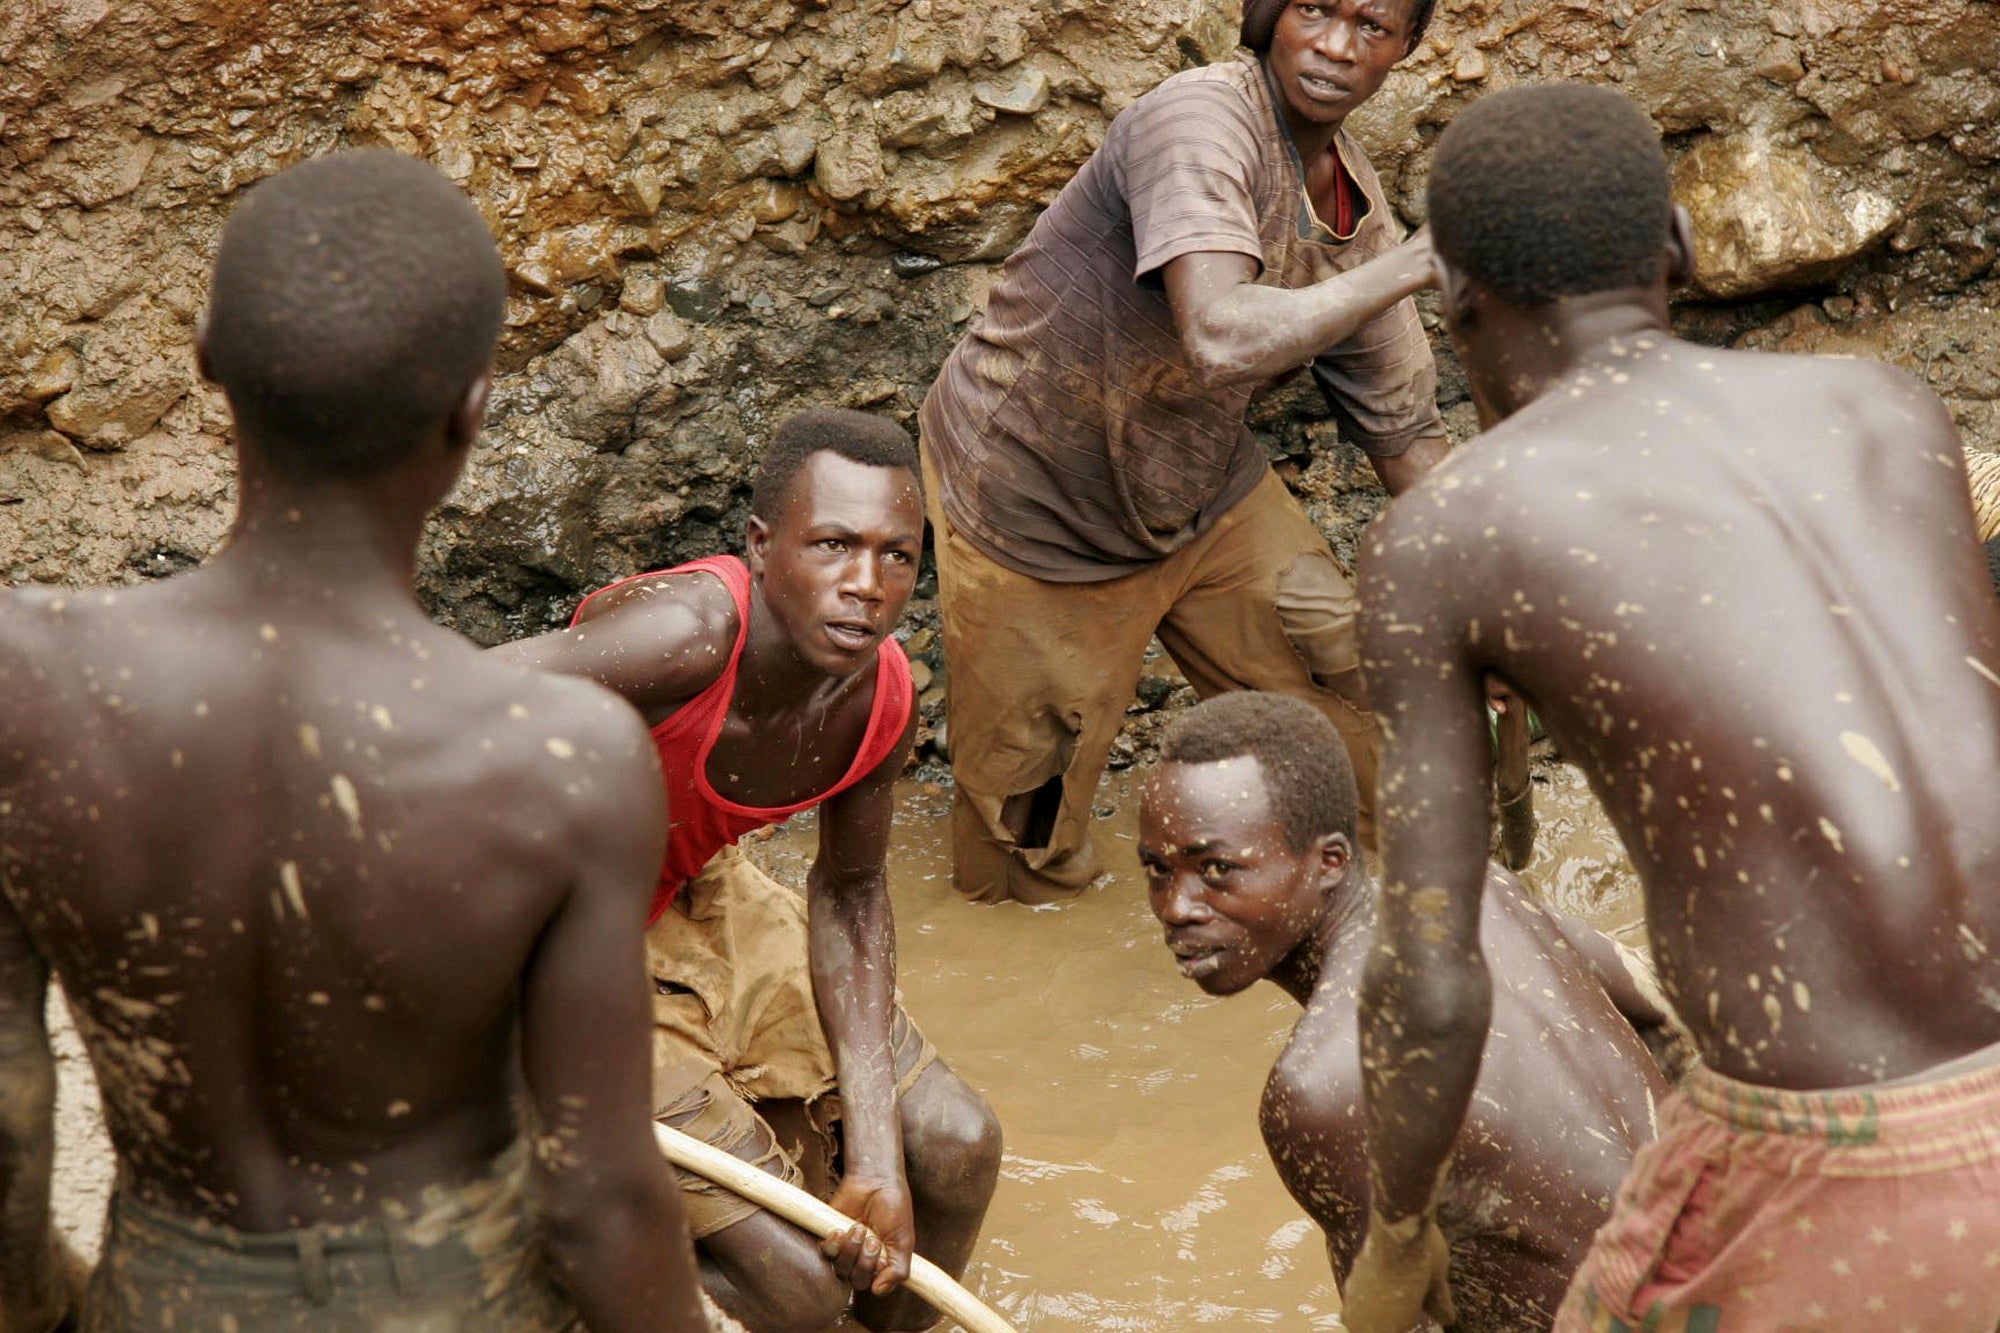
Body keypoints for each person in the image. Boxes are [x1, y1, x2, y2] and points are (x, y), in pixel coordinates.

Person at [0, 152, 708, 1332]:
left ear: (206, 359)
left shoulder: (29, 684)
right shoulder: (561, 759)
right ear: (470, 411)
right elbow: (598, 1200)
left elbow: (9, 1118)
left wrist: (47, 1308)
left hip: (165, 1294)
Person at [1345, 83, 2000, 1333]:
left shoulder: (1446, 532)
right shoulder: (1885, 405)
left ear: (1450, 296)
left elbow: (1429, 979)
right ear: (1682, 254)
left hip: (1842, 1155)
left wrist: (1394, 1235)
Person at [918, 0, 1452, 904]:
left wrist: (1489, 606)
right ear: (1268, 15)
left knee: (1357, 687)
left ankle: (1347, 905)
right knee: (1023, 856)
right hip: (1040, 501)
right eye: (1315, 9)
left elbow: (1406, 432)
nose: (1335, 46)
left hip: (1200, 489)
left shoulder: (1352, 212)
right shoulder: (1198, 118)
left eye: (1372, 24)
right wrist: (1415, 265)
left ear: (1403, 50)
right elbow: (1217, 333)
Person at [493, 411, 1002, 1333]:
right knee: (797, 1286)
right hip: (545, 924)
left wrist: (879, 1156)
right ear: (762, 547)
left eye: (897, 556)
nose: (865, 587)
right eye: (835, 545)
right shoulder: (685, 637)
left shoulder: (882, 694)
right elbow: (431, 704)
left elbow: (849, 894)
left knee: (957, 1146)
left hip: (692, 885)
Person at [1139, 692, 1679, 1330]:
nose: (1176, 907)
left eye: (1217, 869)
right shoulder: (1477, 887)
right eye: (1156, 870)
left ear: (1329, 861)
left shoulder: (1324, 1086)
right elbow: (1663, 1017)